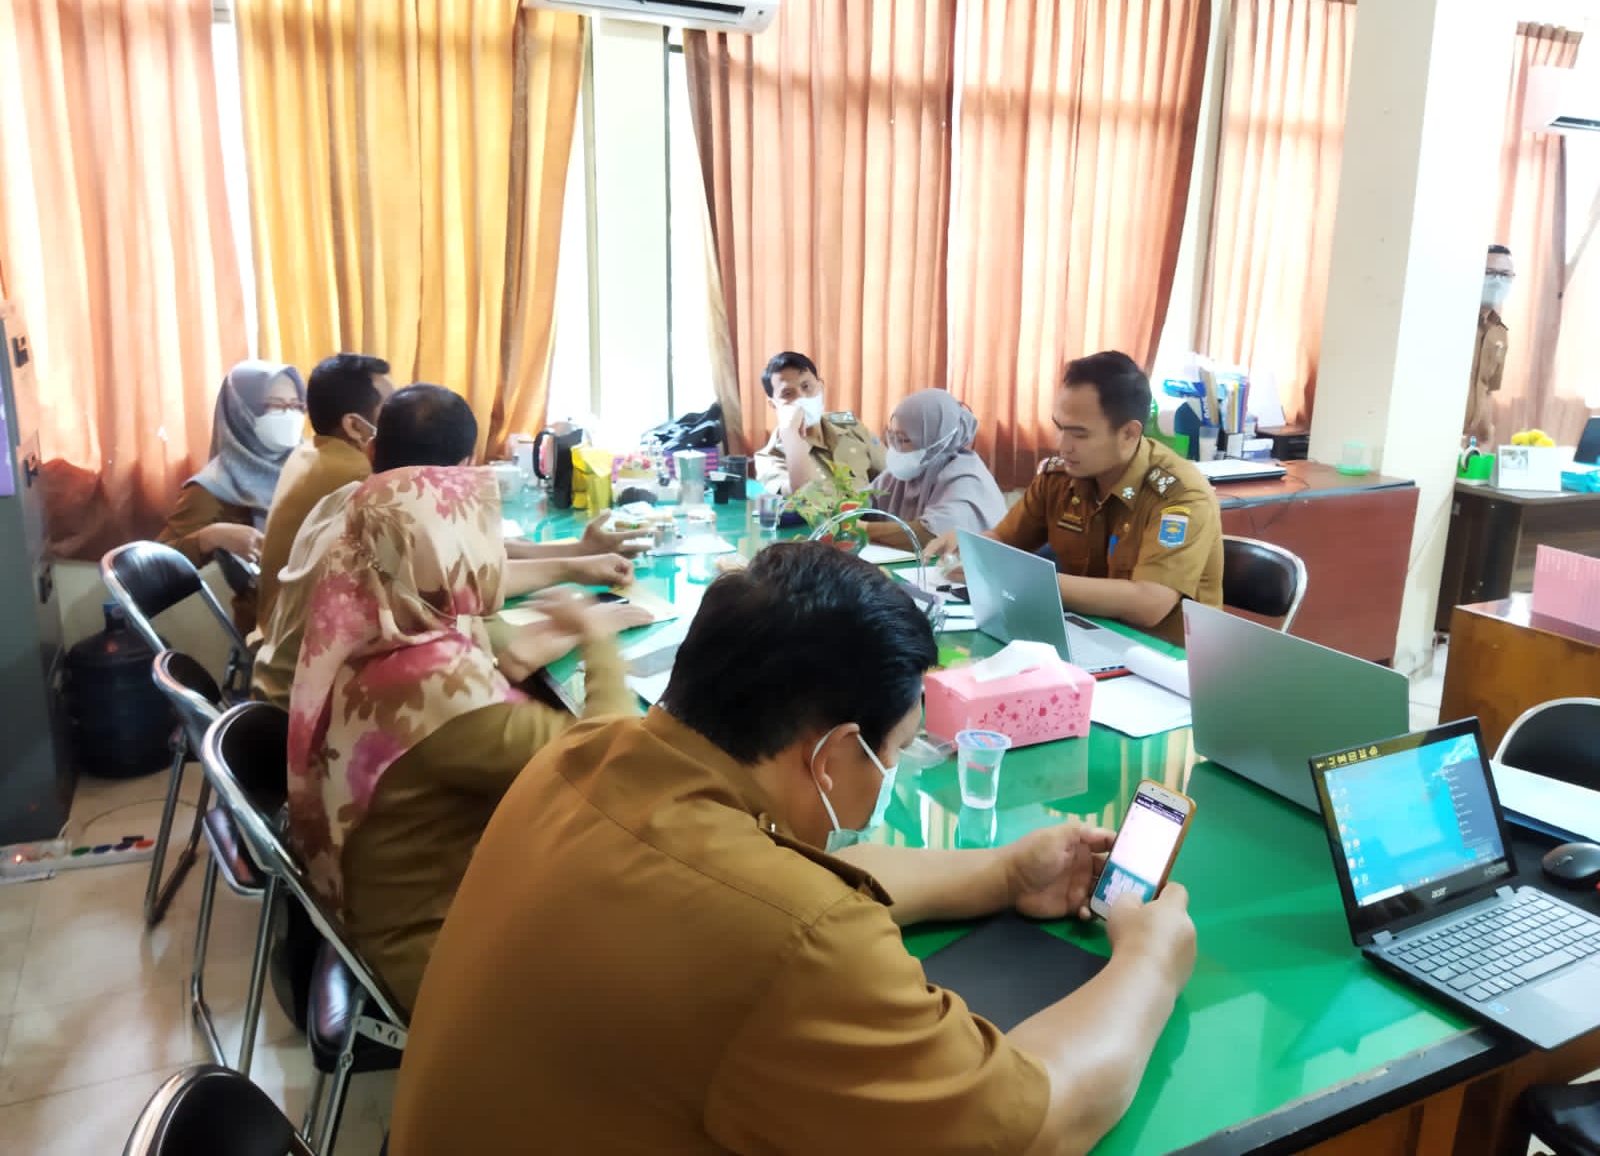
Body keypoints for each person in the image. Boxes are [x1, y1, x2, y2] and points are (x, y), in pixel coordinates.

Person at [389, 543, 1196, 1155]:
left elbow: (777, 883)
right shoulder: (796, 943)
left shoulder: (583, 757)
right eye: (895, 751)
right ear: (835, 753)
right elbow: (1036, 1126)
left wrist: (1002, 871)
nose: (889, 775)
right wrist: (1150, 958)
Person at [286, 461, 650, 1013]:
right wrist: (597, 640)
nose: (488, 553)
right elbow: (611, 764)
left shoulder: (371, 630)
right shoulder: (438, 688)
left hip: (394, 903)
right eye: (475, 537)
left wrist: (561, 630)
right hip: (436, 952)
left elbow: (494, 680)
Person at [253, 384, 639, 711]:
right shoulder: (401, 536)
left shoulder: (351, 500)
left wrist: (578, 554)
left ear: (371, 451)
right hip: (307, 729)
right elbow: (505, 644)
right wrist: (587, 622)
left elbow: (470, 564)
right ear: (464, 469)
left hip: (278, 703)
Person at [927, 351, 1222, 648]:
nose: (1063, 445)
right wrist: (970, 548)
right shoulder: (1059, 478)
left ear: (1129, 433)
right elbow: (1003, 539)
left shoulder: (1179, 495)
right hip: (1084, 636)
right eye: (1059, 428)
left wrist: (1023, 580)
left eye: (1079, 435)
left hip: (1163, 658)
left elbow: (1149, 603)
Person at [158, 360, 307, 633]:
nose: (289, 415)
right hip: (269, 627)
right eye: (274, 406)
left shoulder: (310, 462)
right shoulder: (214, 486)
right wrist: (210, 537)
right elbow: (157, 567)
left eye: (296, 406)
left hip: (322, 607)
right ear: (241, 411)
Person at [257, 352, 394, 633]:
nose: (401, 420)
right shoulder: (357, 475)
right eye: (392, 411)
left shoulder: (307, 451)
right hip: (305, 642)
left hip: (278, 625)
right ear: (355, 426)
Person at [865, 389, 1007, 549]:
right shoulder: (906, 470)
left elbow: (931, 535)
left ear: (935, 440)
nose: (895, 447)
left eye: (903, 439)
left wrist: (865, 529)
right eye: (892, 437)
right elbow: (863, 502)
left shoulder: (967, 479)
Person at [753, 351, 884, 496]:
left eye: (806, 386)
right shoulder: (769, 458)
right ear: (774, 405)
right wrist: (791, 434)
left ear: (821, 387)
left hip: (869, 511)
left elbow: (890, 475)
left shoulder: (850, 425)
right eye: (788, 393)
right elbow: (803, 494)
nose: (802, 397)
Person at [1465, 244, 1513, 446]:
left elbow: (1487, 389)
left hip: (1469, 444)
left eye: (1505, 275)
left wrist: (1486, 435)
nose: (1497, 281)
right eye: (1489, 273)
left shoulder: (1499, 332)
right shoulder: (1455, 324)